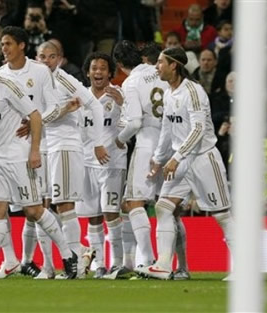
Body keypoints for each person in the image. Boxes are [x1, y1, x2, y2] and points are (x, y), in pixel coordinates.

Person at [0, 44, 78, 279]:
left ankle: (67, 254)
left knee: (34, 210)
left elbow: (34, 115)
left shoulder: (6, 86)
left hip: (17, 157)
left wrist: (34, 151)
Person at [140, 47, 233, 280]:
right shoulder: (169, 93)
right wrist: (159, 159)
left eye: (161, 62)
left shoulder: (193, 91)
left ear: (174, 65)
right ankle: (163, 264)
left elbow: (199, 129)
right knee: (163, 207)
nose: (157, 66)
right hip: (180, 161)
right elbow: (167, 129)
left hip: (203, 159)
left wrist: (175, 157)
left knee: (221, 214)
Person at [36, 41, 108, 279]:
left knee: (65, 206)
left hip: (65, 147)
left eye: (51, 56)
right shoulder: (38, 81)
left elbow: (95, 106)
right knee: (49, 208)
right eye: (42, 56)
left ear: (60, 59)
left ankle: (75, 263)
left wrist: (98, 142)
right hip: (48, 148)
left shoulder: (65, 79)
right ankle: (78, 255)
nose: (46, 61)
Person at [106, 40, 170, 279]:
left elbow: (134, 122)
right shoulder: (159, 71)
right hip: (170, 144)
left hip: (147, 144)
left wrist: (120, 139)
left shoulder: (131, 81)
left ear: (120, 64)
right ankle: (173, 263)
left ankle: (148, 260)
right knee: (168, 205)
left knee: (133, 202)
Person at [77, 51, 127, 278]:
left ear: (110, 73)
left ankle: (117, 262)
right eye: (94, 68)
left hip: (112, 163)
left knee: (111, 213)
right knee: (93, 216)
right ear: (88, 72)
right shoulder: (80, 98)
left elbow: (133, 123)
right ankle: (98, 264)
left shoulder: (119, 95)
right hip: (85, 163)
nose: (98, 72)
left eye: (103, 69)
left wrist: (122, 104)